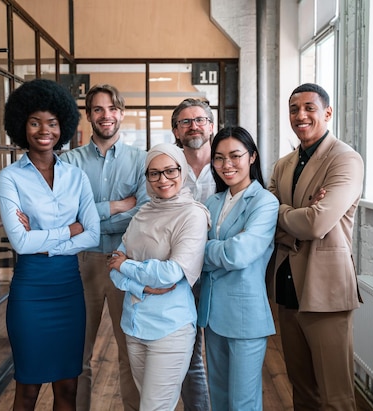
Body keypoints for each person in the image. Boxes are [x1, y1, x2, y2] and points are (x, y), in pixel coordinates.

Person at [0, 78, 100, 410]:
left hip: (69, 290)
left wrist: (43, 241)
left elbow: (94, 234)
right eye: (35, 122)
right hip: (30, 291)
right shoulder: (10, 177)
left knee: (67, 387)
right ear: (21, 126)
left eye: (52, 123)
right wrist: (70, 229)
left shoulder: (77, 177)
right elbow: (20, 242)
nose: (45, 130)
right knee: (27, 389)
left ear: (63, 126)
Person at [268, 83, 364, 410]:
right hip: (287, 286)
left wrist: (283, 213)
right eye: (294, 109)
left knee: (336, 396)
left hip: (326, 291)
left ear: (327, 112)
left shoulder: (345, 160)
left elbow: (316, 224)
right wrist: (299, 213)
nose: (300, 115)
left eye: (309, 107)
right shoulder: (283, 165)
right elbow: (264, 219)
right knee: (302, 390)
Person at [59, 84, 146, 411]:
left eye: (111, 109)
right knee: (78, 355)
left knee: (131, 354)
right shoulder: (69, 161)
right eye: (98, 109)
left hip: (126, 261)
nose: (105, 116)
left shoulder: (141, 160)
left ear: (121, 113)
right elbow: (66, 213)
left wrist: (90, 218)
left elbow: (143, 212)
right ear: (89, 116)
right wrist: (118, 206)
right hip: (82, 263)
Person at [108, 143, 210, 410]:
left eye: (170, 171)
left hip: (170, 328)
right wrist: (141, 287)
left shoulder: (193, 214)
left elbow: (172, 273)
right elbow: (113, 266)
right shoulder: (144, 212)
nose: (162, 180)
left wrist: (127, 267)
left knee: (154, 407)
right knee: (150, 404)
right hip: (134, 323)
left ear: (183, 170)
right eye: (154, 173)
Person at [198, 126, 278, 410]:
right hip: (212, 313)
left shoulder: (265, 202)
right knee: (218, 398)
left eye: (235, 156)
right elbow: (220, 251)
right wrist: (221, 249)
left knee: (243, 402)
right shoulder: (212, 201)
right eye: (219, 158)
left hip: (246, 316)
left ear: (252, 157)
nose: (226, 164)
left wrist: (204, 251)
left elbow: (239, 254)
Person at [171, 98, 216, 411]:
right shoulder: (168, 166)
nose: (193, 126)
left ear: (211, 126)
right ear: (176, 130)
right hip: (182, 274)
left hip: (220, 271)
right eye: (185, 122)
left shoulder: (231, 164)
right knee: (188, 353)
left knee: (220, 352)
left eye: (200, 119)